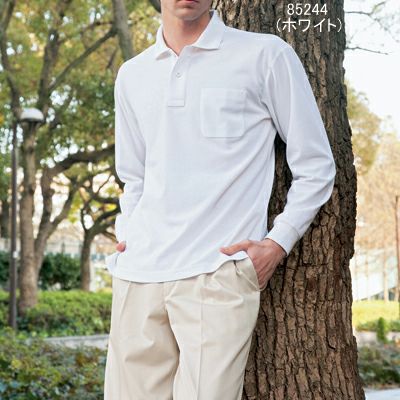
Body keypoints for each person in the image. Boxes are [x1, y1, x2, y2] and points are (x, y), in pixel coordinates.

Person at [104, 1, 336, 399]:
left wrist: (278, 243)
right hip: (138, 274)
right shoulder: (132, 74)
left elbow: (316, 164)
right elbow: (134, 176)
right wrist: (128, 232)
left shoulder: (265, 55)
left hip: (217, 273)